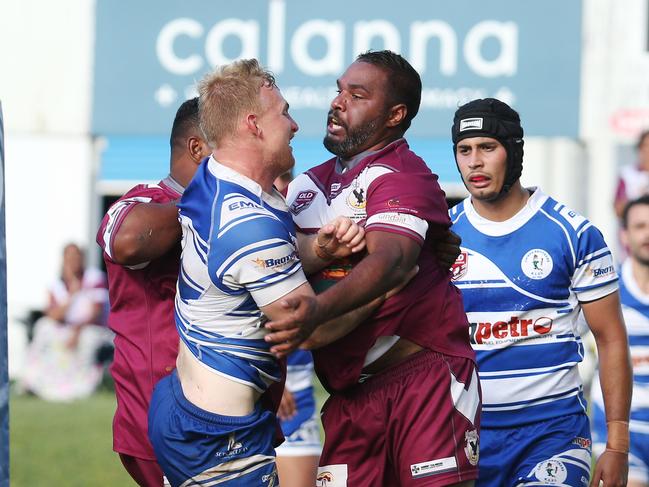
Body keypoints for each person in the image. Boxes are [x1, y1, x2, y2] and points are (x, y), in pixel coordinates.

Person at [146, 59, 377, 487]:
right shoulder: (248, 225)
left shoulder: (222, 175)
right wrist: (389, 284)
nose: (294, 126)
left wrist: (320, 249)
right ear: (253, 125)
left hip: (190, 403)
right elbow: (306, 329)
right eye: (284, 113)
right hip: (215, 434)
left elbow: (264, 263)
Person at [269, 50, 479, 487]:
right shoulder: (306, 185)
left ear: (394, 114)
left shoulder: (404, 175)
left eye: (357, 95)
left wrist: (317, 311)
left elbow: (392, 261)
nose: (338, 102)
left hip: (423, 380)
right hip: (349, 395)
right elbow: (274, 262)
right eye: (339, 90)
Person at [448, 97, 632, 487]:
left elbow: (611, 339)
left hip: (553, 435)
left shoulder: (574, 234)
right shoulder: (441, 236)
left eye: (487, 147)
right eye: (464, 150)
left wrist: (616, 445)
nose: (474, 162)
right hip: (464, 436)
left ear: (513, 152)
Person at [96, 97, 212, 486]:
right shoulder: (146, 202)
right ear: (199, 148)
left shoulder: (250, 206)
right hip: (171, 425)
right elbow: (127, 241)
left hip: (235, 414)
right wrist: (210, 204)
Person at [592, 195, 649, 487]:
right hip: (624, 434)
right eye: (640, 226)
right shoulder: (606, 290)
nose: (648, 234)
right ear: (625, 234)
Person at [19, 243, 112, 401]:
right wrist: (72, 294)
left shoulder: (94, 278)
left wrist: (77, 330)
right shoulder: (56, 285)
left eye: (76, 257)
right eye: (69, 258)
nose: (73, 261)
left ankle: (81, 385)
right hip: (65, 328)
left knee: (87, 339)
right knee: (43, 328)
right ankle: (34, 381)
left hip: (90, 328)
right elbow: (52, 315)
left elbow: (96, 312)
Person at [614, 130, 649, 219]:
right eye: (646, 145)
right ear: (640, 148)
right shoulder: (627, 174)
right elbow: (618, 209)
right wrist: (639, 198)